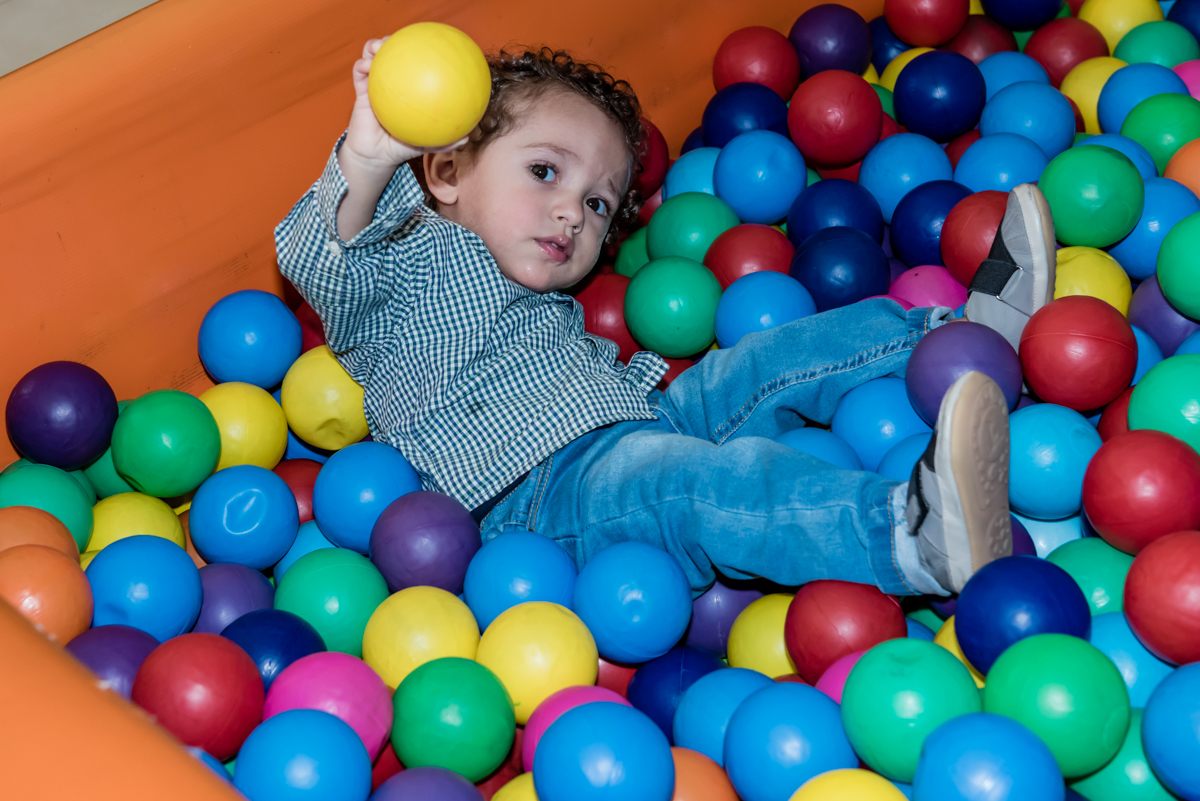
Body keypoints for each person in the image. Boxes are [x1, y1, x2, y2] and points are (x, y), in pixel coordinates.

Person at [277, 40, 1056, 598]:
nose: (570, 212)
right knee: (692, 487)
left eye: (596, 202)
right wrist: (372, 155)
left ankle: (970, 334)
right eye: (544, 170)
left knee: (764, 358)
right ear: (445, 171)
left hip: (637, 414)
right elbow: (316, 253)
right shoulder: (404, 265)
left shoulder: (549, 298)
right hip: (539, 498)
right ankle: (905, 535)